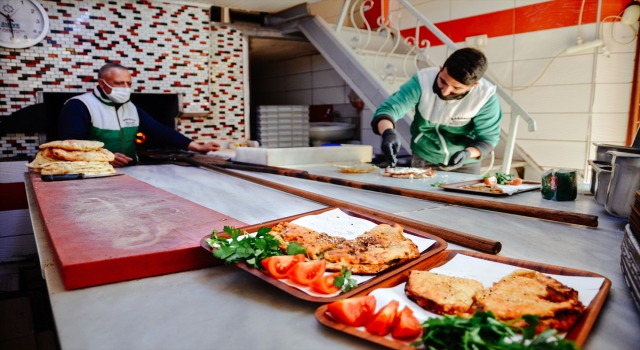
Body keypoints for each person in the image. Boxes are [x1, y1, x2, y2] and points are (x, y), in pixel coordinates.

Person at [58, 63, 220, 167]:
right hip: (93, 173)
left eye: (128, 83)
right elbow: (70, 145)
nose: (125, 88)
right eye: (119, 83)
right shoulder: (80, 105)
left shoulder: (131, 107)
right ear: (102, 83)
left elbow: (160, 131)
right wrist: (103, 157)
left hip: (130, 170)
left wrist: (197, 146)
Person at [371, 48, 502, 174]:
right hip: (425, 155)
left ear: (473, 86)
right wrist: (388, 133)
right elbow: (390, 109)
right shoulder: (422, 81)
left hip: (466, 162)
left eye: (456, 88)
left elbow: (488, 138)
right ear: (440, 69)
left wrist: (467, 153)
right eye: (442, 81)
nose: (445, 91)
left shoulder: (485, 96)